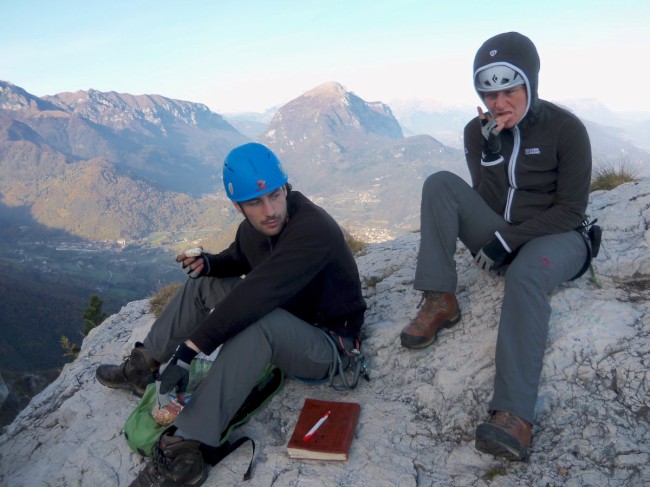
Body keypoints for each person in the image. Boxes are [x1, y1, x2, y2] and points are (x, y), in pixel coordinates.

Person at [96, 142, 367, 486]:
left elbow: (257, 294)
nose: (270, 210)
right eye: (255, 202)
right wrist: (210, 263)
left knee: (260, 324)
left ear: (286, 188)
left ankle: (186, 448)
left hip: (328, 346)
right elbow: (240, 258)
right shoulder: (257, 227)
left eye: (275, 195)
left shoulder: (313, 230)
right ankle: (142, 366)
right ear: (239, 206)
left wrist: (189, 352)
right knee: (204, 284)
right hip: (289, 316)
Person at [399, 32, 593, 461]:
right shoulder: (478, 130)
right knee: (439, 185)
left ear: (530, 84)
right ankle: (439, 299)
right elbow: (483, 200)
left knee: (525, 275)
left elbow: (572, 211)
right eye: (489, 93)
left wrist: (510, 239)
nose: (498, 103)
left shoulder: (566, 130)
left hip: (557, 239)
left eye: (508, 90)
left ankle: (514, 416)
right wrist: (490, 152)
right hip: (504, 233)